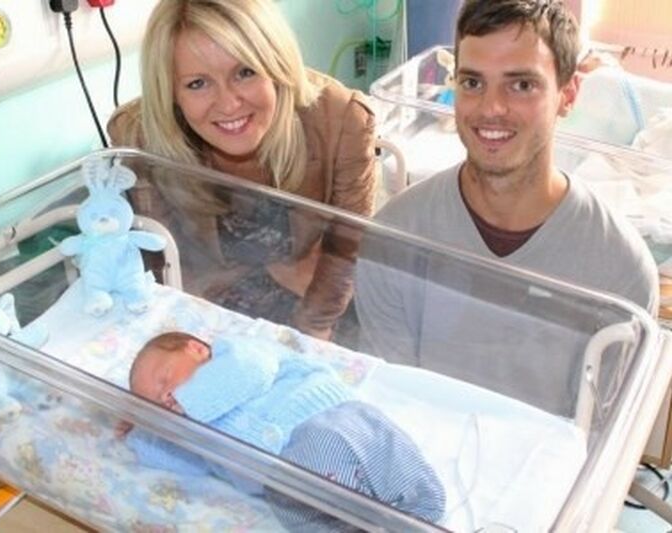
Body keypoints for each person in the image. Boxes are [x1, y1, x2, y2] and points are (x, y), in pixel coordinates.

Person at [355, 0, 659, 415]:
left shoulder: (619, 271)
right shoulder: (394, 238)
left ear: (567, 95)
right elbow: (388, 412)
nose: (491, 109)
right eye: (473, 83)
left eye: (521, 85)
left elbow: (598, 442)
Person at [107, 0, 377, 340]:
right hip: (208, 298)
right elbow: (164, 261)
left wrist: (314, 328)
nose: (229, 103)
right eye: (197, 84)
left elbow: (348, 247)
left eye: (245, 72)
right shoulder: (139, 136)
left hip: (320, 290)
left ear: (276, 66)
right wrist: (199, 336)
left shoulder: (341, 119)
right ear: (171, 92)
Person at [118, 331, 446, 530]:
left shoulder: (234, 354)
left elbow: (254, 371)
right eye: (154, 401)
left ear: (195, 348)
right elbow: (182, 461)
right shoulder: (192, 430)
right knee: (294, 511)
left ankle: (420, 507)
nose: (165, 395)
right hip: (284, 479)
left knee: (375, 452)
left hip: (324, 418)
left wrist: (187, 402)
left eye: (164, 378)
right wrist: (146, 428)